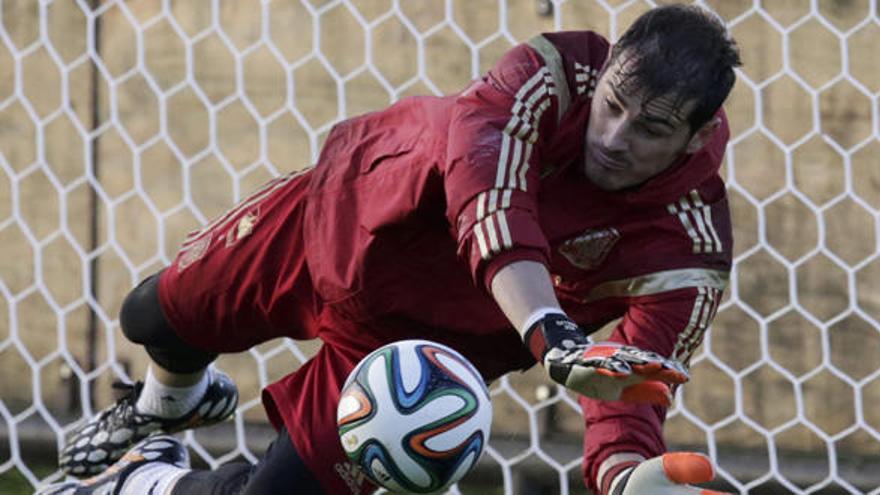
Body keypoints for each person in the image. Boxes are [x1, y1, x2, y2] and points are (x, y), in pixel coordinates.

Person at [41, 4, 741, 494]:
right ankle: (167, 406)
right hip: (334, 226)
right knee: (150, 317)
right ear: (608, 68)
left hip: (413, 359)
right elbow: (487, 192)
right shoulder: (549, 71)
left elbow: (633, 384)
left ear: (698, 133)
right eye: (614, 103)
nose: (615, 136)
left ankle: (137, 479)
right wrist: (551, 329)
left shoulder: (688, 249)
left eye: (650, 128)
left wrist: (628, 474)